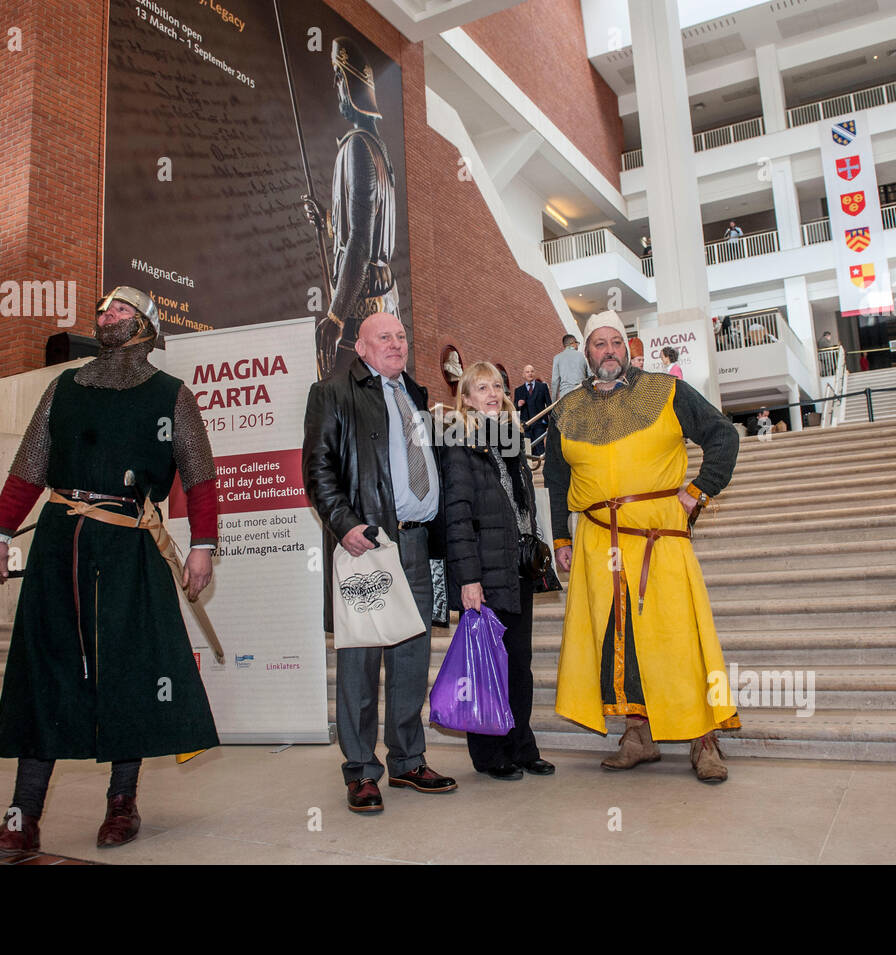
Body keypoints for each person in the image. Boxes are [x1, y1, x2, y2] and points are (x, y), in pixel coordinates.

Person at [0, 286, 221, 860]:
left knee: (129, 669)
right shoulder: (63, 387)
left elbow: (201, 479)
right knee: (45, 668)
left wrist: (203, 546)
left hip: (129, 544)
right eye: (103, 310)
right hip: (60, 540)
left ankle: (121, 800)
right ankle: (23, 813)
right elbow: (28, 467)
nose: (104, 316)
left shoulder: (171, 397)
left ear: (146, 327)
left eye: (118, 310)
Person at [544, 310, 740, 782]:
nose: (608, 351)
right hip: (596, 544)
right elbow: (556, 478)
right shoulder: (567, 410)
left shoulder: (666, 391)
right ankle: (638, 735)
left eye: (615, 342)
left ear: (628, 348)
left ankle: (703, 739)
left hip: (658, 539)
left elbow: (723, 436)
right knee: (619, 639)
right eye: (598, 344)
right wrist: (561, 536)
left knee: (676, 639)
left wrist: (698, 490)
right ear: (586, 353)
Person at [302, 311, 457, 813]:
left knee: (412, 659)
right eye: (383, 337)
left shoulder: (416, 395)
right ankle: (361, 771)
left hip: (416, 545)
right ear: (361, 349)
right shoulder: (332, 393)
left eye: (401, 336)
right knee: (361, 661)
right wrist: (345, 525)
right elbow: (318, 468)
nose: (396, 343)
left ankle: (408, 760)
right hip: (366, 544)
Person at [442, 361, 554, 781]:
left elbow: (523, 507)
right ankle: (490, 754)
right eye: (481, 387)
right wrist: (468, 580)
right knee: (488, 665)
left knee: (518, 663)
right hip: (485, 573)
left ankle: (522, 746)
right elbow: (458, 516)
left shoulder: (511, 439)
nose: (492, 393)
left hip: (518, 567)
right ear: (466, 398)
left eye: (497, 387)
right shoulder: (459, 443)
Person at [303, 37, 401, 380]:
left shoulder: (358, 146)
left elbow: (360, 241)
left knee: (348, 408)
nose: (334, 85)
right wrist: (329, 220)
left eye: (338, 76)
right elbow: (363, 226)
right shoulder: (378, 149)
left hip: (361, 308)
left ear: (349, 83)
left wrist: (335, 317)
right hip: (382, 297)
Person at [514, 364, 551, 450]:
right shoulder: (518, 390)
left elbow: (549, 405)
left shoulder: (543, 387)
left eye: (532, 371)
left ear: (534, 373)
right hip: (526, 425)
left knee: (540, 447)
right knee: (529, 449)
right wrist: (518, 405)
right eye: (527, 372)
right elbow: (514, 408)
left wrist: (551, 423)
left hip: (540, 423)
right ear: (523, 375)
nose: (530, 373)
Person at [551, 333, 590, 399]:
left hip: (565, 396)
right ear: (573, 343)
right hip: (581, 394)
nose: (577, 346)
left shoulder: (557, 358)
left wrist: (553, 401)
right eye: (577, 343)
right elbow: (590, 376)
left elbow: (555, 382)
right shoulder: (582, 356)